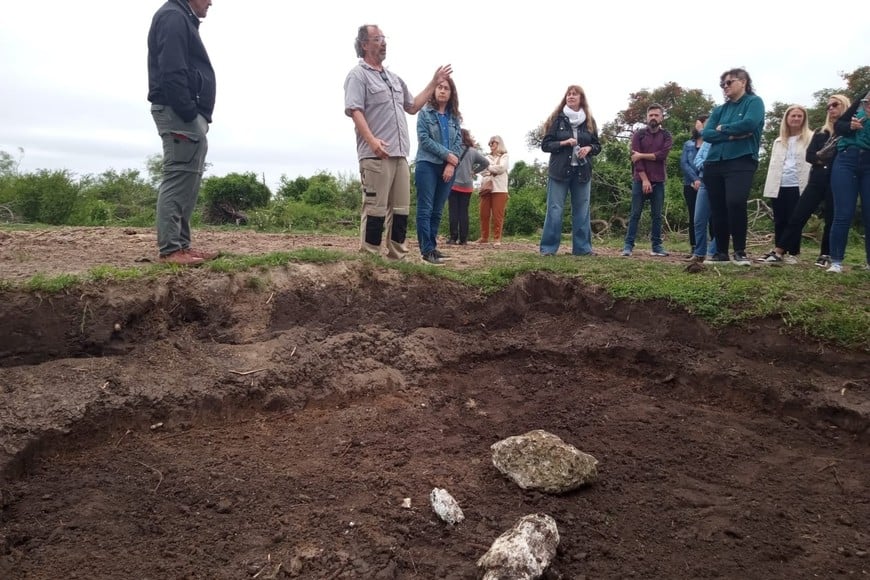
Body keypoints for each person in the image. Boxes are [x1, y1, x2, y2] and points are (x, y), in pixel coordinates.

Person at [344, 24, 452, 260]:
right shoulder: (357, 75)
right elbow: (355, 110)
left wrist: (434, 83)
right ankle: (370, 259)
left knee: (401, 210)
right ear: (364, 44)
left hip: (400, 154)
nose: (384, 42)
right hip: (375, 155)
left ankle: (398, 257)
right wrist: (372, 141)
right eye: (378, 38)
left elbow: (412, 106)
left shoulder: (393, 78)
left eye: (384, 38)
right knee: (375, 211)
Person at [147, 0, 217, 266]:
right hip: (179, 112)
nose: (211, 1)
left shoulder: (180, 17)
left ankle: (182, 246)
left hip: (186, 113)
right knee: (179, 176)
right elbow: (172, 70)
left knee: (189, 179)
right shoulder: (173, 17)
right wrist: (188, 111)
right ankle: (171, 249)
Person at [761, 95, 850, 266]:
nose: (830, 108)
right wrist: (823, 159)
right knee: (797, 215)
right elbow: (811, 157)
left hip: (838, 179)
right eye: (828, 106)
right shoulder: (821, 133)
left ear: (845, 106)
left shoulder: (849, 133)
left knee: (832, 217)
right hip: (816, 179)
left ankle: (825, 254)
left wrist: (822, 158)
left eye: (834, 105)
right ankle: (779, 251)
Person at [701, 67, 765, 266]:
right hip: (714, 163)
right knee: (717, 208)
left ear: (743, 82)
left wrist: (722, 129)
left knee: (735, 202)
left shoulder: (754, 102)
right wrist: (730, 135)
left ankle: (739, 251)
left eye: (729, 82)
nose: (725, 87)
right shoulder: (720, 109)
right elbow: (707, 134)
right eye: (722, 84)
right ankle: (721, 252)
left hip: (742, 160)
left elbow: (749, 124)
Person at [539, 85, 602, 256]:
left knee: (582, 210)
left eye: (575, 94)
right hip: (559, 172)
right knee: (555, 209)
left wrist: (589, 148)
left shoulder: (589, 121)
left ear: (581, 99)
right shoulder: (556, 119)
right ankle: (548, 249)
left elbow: (597, 145)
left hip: (582, 172)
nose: (571, 96)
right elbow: (545, 145)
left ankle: (582, 249)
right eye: (569, 94)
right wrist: (564, 143)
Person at [414, 77, 463, 265]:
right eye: (439, 87)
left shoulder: (454, 117)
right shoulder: (425, 113)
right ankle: (426, 250)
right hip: (427, 164)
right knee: (425, 208)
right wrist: (447, 156)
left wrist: (451, 164)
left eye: (446, 89)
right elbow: (424, 140)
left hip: (448, 168)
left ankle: (432, 247)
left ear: (452, 93)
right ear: (434, 90)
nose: (442, 91)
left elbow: (459, 142)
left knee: (437, 210)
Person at [759, 105, 813, 263]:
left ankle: (793, 253)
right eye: (793, 116)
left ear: (803, 119)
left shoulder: (811, 137)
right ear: (787, 119)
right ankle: (779, 252)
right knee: (780, 219)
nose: (796, 119)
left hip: (799, 184)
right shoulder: (778, 140)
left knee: (795, 219)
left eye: (799, 116)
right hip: (779, 184)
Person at [827, 90, 870, 273]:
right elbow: (839, 127)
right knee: (843, 212)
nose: (868, 105)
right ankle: (836, 261)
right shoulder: (859, 101)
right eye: (867, 102)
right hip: (846, 160)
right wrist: (851, 127)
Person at [622, 104, 673, 257]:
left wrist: (642, 155)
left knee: (657, 215)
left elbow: (662, 155)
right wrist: (644, 180)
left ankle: (657, 246)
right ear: (646, 117)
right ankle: (628, 246)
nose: (653, 118)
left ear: (661, 117)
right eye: (650, 115)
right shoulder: (639, 134)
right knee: (635, 213)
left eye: (656, 115)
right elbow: (635, 160)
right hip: (640, 180)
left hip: (659, 181)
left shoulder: (666, 136)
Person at [447, 129, 489, 245]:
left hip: (453, 184)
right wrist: (474, 171)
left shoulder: (452, 150)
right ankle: (464, 239)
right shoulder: (473, 152)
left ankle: (453, 238)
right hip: (467, 186)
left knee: (453, 211)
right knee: (464, 212)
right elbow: (486, 163)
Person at [685, 139, 719, 261]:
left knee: (720, 219)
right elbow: (697, 160)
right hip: (705, 180)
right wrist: (709, 165)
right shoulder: (707, 143)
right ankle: (699, 253)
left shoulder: (727, 142)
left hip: (722, 182)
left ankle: (713, 251)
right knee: (698, 219)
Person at [680, 115, 708, 253]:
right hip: (689, 184)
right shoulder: (688, 144)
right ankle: (694, 246)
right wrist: (695, 179)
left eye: (702, 125)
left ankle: (712, 247)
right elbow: (684, 164)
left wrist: (701, 180)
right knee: (694, 216)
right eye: (698, 125)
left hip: (708, 183)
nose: (699, 128)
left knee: (711, 216)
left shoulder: (712, 144)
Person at [475, 136, 509, 246]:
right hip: (486, 188)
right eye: (489, 143)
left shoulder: (505, 156)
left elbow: (502, 168)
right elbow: (482, 171)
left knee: (498, 215)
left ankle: (497, 238)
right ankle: (484, 237)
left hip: (500, 189)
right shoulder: (487, 157)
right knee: (483, 213)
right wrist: (493, 168)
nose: (491, 145)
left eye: (493, 143)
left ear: (499, 143)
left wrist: (489, 168)